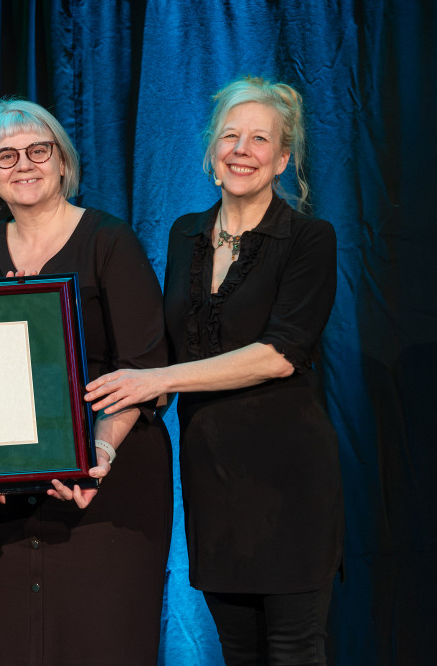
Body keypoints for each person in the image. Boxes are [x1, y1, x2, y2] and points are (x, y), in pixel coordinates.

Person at [86, 76, 344, 664]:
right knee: (237, 651)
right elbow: (165, 345)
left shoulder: (309, 238)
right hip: (213, 480)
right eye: (230, 136)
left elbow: (280, 354)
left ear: (283, 159)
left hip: (290, 480)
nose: (241, 150)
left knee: (294, 651)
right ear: (210, 150)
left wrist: (158, 380)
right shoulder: (185, 234)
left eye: (260, 139)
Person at [0, 99, 173, 665]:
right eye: (5, 155)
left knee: (101, 640)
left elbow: (146, 371)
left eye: (38, 150)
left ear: (62, 161)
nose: (23, 164)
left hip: (108, 477)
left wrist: (97, 451)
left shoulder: (109, 240)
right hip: (8, 494)